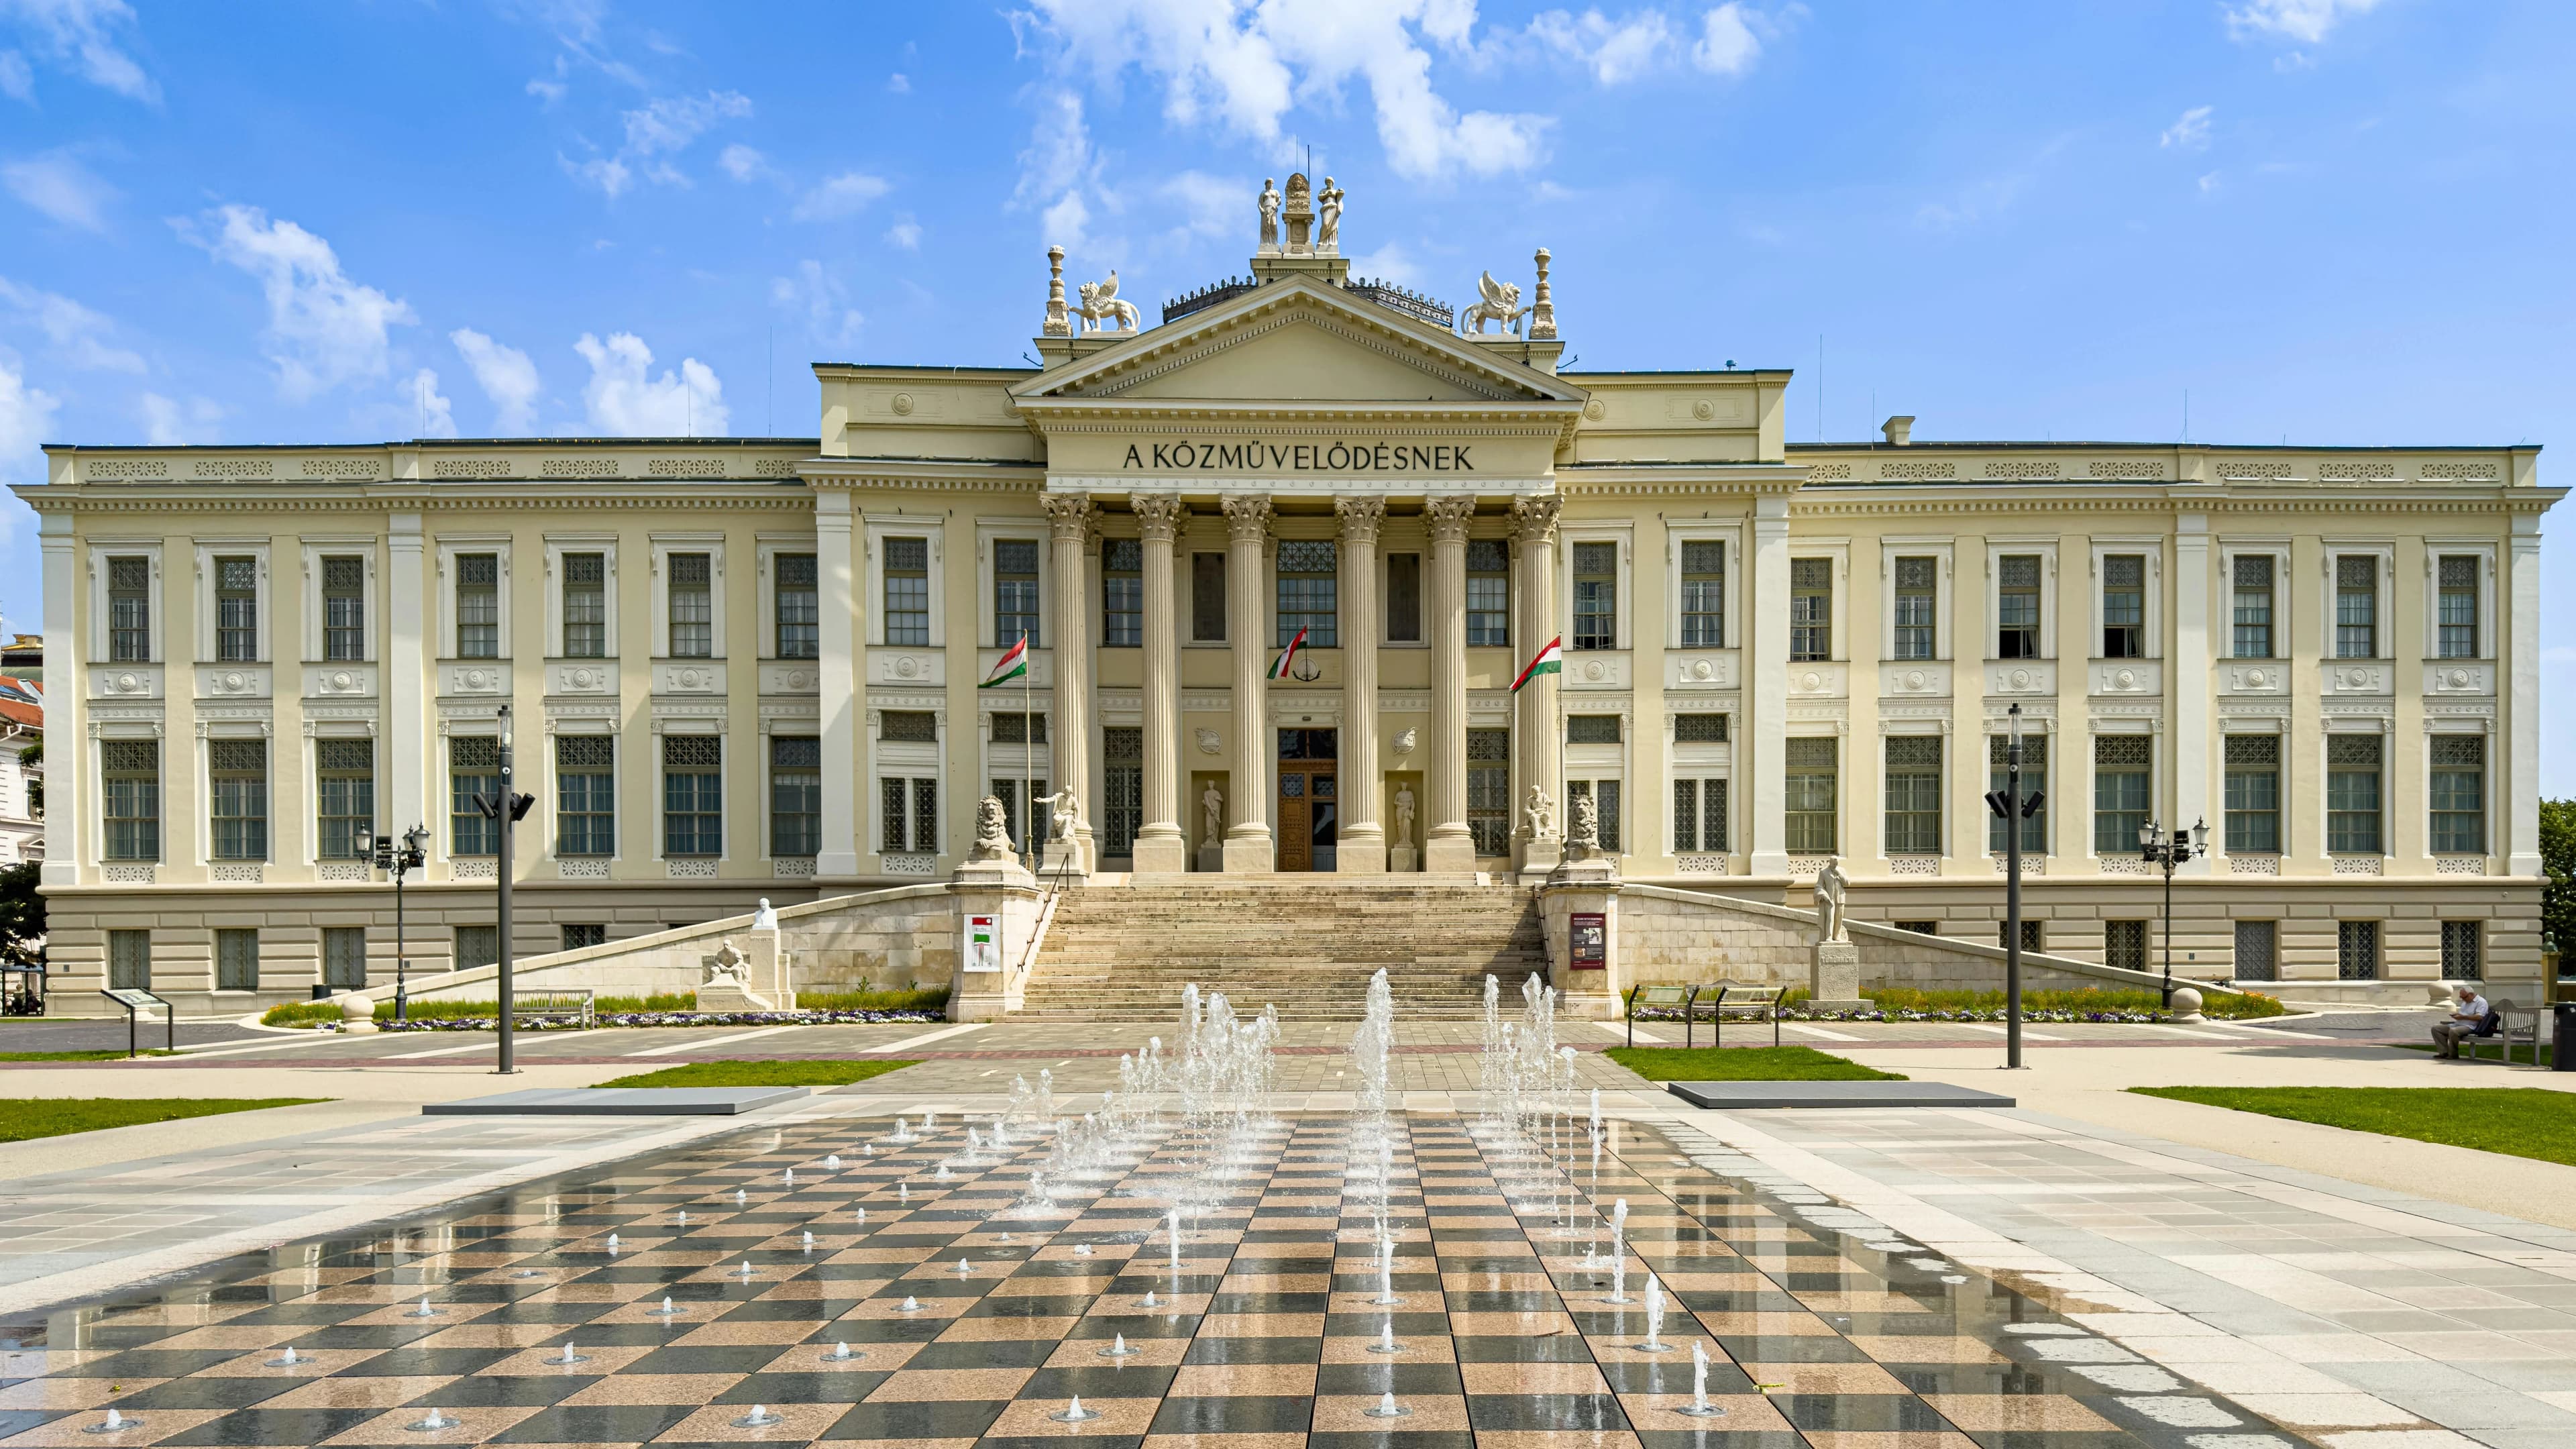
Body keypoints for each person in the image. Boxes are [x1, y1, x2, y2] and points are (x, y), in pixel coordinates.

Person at [2429, 983, 2494, 1059]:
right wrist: (2457, 1015)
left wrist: (2463, 1017)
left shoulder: (2481, 1002)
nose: (2462, 999)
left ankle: (2453, 1055)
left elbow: (2480, 1017)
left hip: (2471, 1026)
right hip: (2458, 1024)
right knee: (2436, 1029)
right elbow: (2463, 1014)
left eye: (2464, 997)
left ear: (2471, 995)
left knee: (2453, 1031)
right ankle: (2444, 1052)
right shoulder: (2465, 1002)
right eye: (2461, 997)